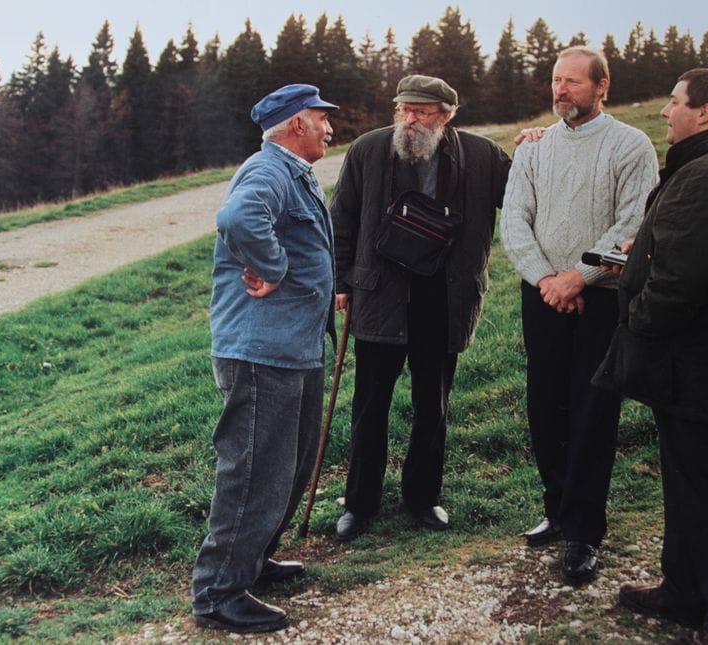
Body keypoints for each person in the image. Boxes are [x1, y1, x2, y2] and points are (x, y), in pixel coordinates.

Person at [596, 68, 708, 644]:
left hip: (706, 370)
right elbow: (686, 251)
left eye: (674, 102)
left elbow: (689, 278)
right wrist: (642, 251)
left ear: (705, 113)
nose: (665, 112)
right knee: (690, 483)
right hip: (703, 369)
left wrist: (639, 318)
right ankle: (686, 592)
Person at [499, 46, 658, 584]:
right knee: (546, 404)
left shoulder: (630, 144)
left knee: (592, 411)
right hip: (542, 296)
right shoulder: (534, 148)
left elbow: (633, 222)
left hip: (602, 298)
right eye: (555, 81)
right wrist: (547, 279)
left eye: (572, 81)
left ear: (602, 85)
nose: (560, 90)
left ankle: (586, 530)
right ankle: (557, 507)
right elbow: (515, 221)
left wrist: (579, 277)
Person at [331, 75, 511, 541]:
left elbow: (522, 196)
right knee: (370, 404)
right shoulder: (368, 150)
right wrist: (341, 280)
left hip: (443, 295)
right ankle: (359, 504)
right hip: (381, 292)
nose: (410, 118)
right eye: (403, 109)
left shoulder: (482, 156)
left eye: (422, 111)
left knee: (433, 404)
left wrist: (534, 147)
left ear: (447, 115)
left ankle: (424, 498)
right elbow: (343, 216)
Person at [190, 84, 338, 634]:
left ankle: (252, 560)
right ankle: (217, 594)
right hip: (261, 351)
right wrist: (272, 269)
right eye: (322, 118)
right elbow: (239, 218)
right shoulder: (269, 170)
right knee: (254, 471)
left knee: (290, 464)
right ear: (297, 123)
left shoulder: (294, 172)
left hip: (293, 345)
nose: (329, 127)